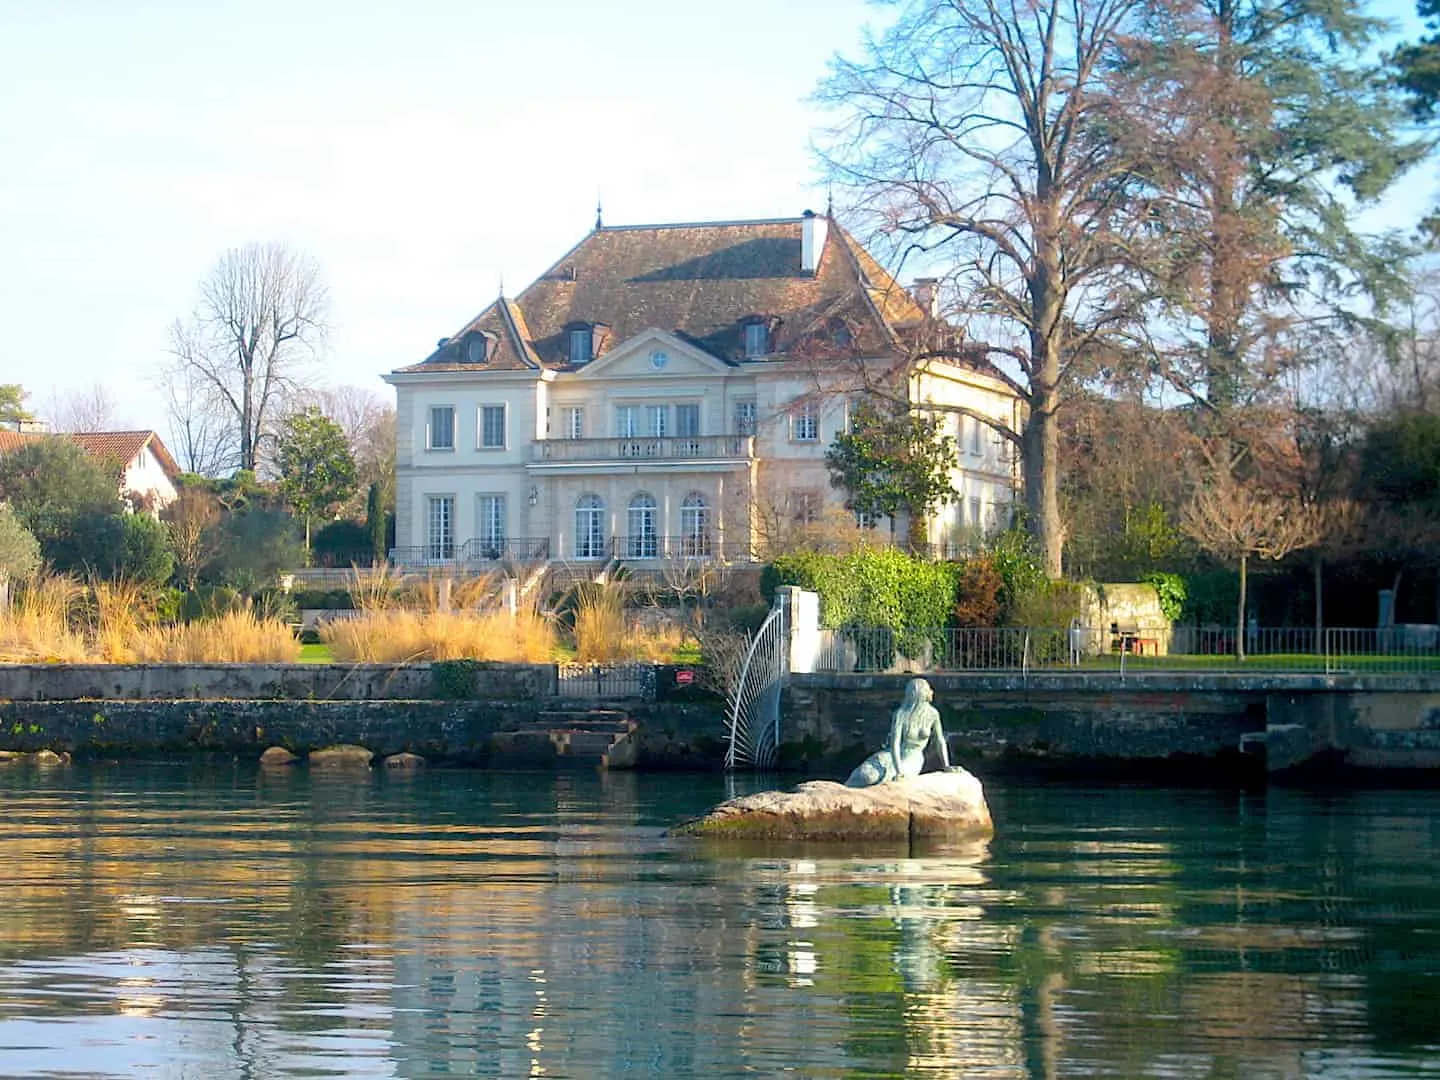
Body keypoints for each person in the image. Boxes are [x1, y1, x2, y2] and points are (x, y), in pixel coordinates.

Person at [846, 677, 952, 787]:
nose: (931, 692)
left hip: (913, 758)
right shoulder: (901, 714)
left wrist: (946, 766)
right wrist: (898, 770)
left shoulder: (933, 714)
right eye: (927, 689)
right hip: (894, 754)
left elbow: (940, 741)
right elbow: (895, 744)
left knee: (888, 777)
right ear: (918, 693)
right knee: (867, 774)